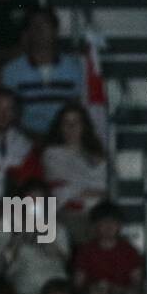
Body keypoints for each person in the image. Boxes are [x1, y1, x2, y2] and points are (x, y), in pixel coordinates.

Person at [0, 7, 85, 139]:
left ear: (55, 31)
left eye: (45, 25)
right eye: (35, 26)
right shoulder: (12, 71)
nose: (40, 30)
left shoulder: (73, 68)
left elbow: (77, 110)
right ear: (27, 33)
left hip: (64, 141)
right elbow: (8, 114)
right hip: (25, 142)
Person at [42, 102, 110, 241]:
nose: (71, 128)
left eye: (76, 122)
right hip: (68, 215)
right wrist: (92, 189)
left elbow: (106, 187)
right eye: (66, 123)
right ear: (59, 127)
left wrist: (85, 188)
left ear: (84, 126)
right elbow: (62, 190)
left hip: (99, 214)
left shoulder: (98, 155)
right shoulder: (52, 154)